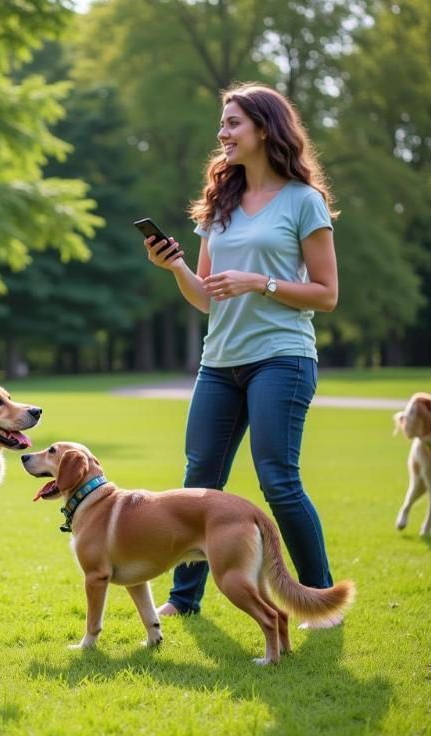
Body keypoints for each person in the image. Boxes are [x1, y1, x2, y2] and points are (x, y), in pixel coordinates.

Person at [145, 82, 341, 628]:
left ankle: (319, 598)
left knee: (278, 478)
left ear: (265, 129)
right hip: (219, 362)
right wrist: (178, 269)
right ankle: (185, 598)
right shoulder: (220, 203)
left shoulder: (305, 202)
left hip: (283, 357)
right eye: (222, 124)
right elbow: (206, 296)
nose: (223, 133)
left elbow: (326, 294)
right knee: (200, 479)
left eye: (233, 123)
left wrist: (262, 283)